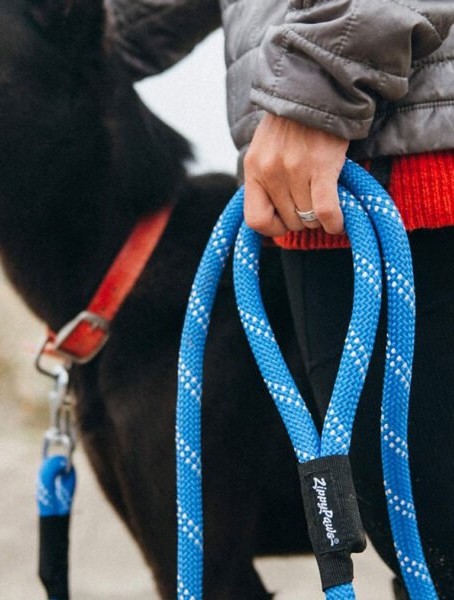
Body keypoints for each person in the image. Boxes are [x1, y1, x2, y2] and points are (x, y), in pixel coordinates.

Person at [108, 0, 454, 597]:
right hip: (318, 199)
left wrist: (320, 80)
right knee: (422, 548)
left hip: (399, 172)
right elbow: (118, 28)